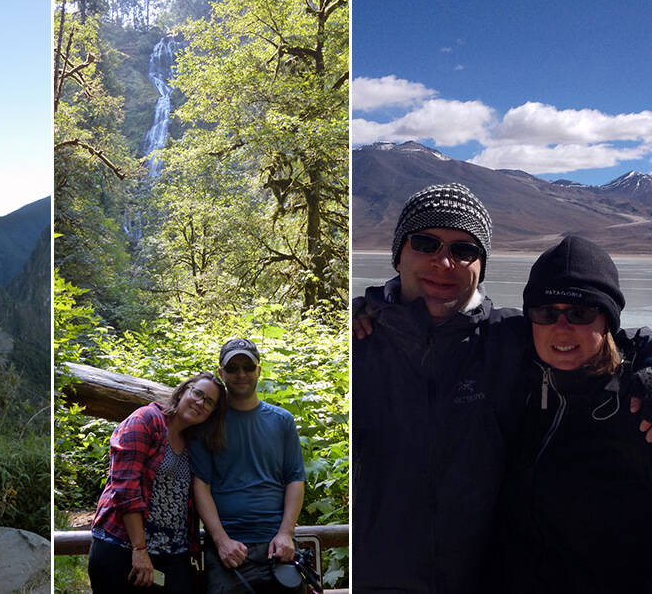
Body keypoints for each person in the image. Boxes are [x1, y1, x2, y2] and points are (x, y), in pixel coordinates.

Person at [349, 183, 651, 592]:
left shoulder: (508, 337)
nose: (444, 262)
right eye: (425, 242)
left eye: (464, 250)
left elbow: (615, 342)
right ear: (398, 254)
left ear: (481, 265)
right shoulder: (357, 340)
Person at [498, 235, 652, 593]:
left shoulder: (636, 405)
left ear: (608, 321)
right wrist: (376, 309)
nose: (561, 328)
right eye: (546, 313)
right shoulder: (509, 377)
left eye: (580, 313)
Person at [89, 373, 228, 593]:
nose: (200, 402)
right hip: (123, 548)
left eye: (209, 402)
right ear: (184, 391)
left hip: (173, 554)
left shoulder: (195, 441)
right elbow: (125, 486)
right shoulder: (146, 420)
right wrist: (139, 548)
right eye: (198, 393)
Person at [190, 338, 307, 594]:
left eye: (247, 366)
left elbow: (295, 479)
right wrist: (221, 542)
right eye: (232, 368)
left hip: (276, 545)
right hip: (227, 549)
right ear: (221, 373)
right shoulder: (208, 424)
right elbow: (201, 485)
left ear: (259, 370)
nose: (241, 374)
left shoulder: (282, 421)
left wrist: (286, 533)